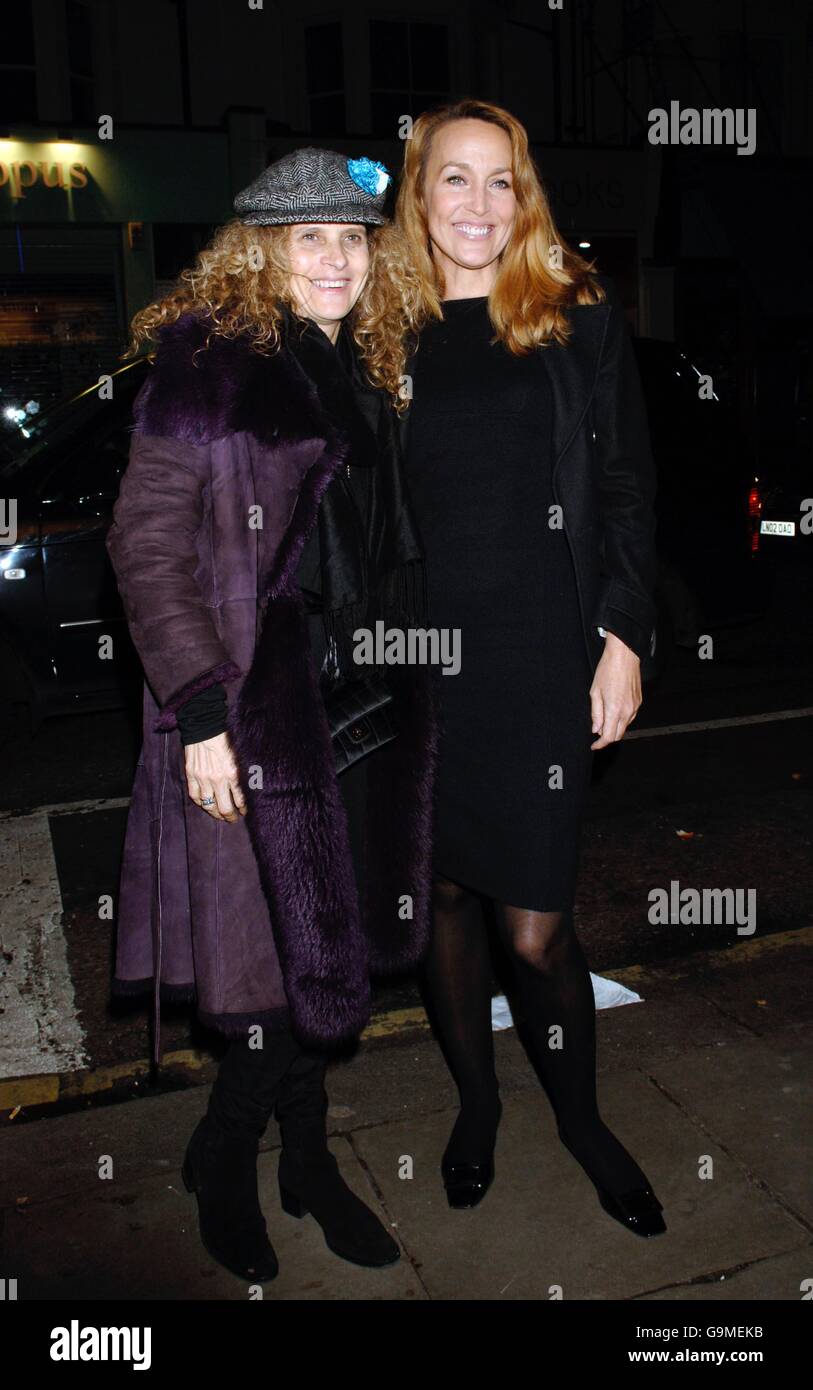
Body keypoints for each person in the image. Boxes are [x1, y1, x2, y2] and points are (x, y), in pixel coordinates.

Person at [106, 147, 436, 1283]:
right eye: (311, 238)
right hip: (247, 717)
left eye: (353, 237)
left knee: (322, 955)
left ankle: (308, 1158)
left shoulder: (376, 369)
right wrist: (199, 713)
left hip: (358, 706)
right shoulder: (210, 365)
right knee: (259, 978)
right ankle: (231, 1155)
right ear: (263, 250)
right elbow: (144, 547)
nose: (338, 258)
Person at [395, 100, 665, 1236]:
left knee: (536, 927)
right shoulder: (375, 329)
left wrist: (624, 633)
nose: (477, 203)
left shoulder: (576, 321)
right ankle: (475, 1106)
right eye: (452, 179)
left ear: (526, 197)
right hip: (415, 660)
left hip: (539, 656)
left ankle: (585, 1121)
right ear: (417, 196)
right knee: (445, 896)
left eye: (500, 180)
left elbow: (629, 495)